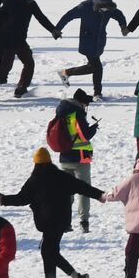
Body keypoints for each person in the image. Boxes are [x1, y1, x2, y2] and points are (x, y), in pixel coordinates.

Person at [1, 147, 103, 278]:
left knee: (49, 251)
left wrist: (4, 200)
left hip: (47, 222)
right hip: (61, 221)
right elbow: (82, 187)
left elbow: (21, 199)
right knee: (49, 251)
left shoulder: (34, 180)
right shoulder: (61, 176)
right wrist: (99, 195)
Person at [56, 0, 127, 99]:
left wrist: (123, 26)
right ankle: (97, 93)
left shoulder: (109, 9)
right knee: (97, 67)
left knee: (93, 67)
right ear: (98, 5)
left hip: (99, 42)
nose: (105, 10)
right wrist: (57, 29)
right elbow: (69, 15)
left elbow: (119, 15)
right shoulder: (85, 7)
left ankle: (66, 73)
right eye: (103, 8)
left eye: (107, 8)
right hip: (87, 41)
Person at [50, 89, 98, 232]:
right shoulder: (77, 113)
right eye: (86, 104)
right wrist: (94, 128)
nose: (86, 107)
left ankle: (65, 222)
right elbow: (84, 135)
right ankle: (84, 222)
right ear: (81, 103)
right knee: (84, 191)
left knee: (66, 191)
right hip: (80, 158)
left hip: (64, 158)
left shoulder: (61, 112)